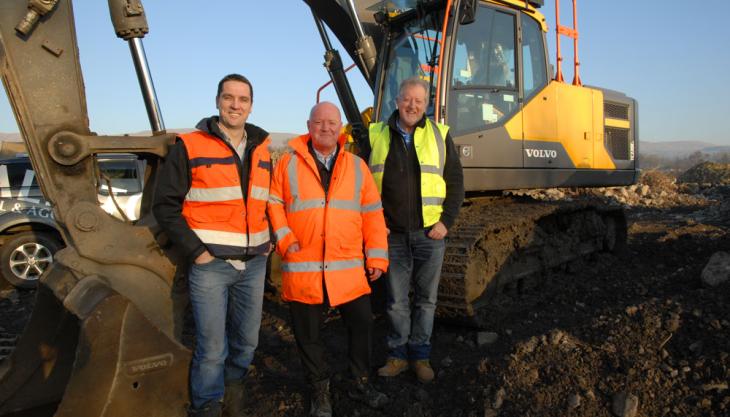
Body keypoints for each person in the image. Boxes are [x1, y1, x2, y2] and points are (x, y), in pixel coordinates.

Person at [153, 73, 272, 417]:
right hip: (212, 265)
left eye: (243, 99)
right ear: (217, 101)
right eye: (229, 97)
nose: (236, 105)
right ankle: (207, 405)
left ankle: (233, 388)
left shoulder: (262, 148)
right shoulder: (190, 145)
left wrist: (271, 241)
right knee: (211, 347)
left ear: (251, 105)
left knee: (247, 342)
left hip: (254, 264)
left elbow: (269, 200)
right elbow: (166, 205)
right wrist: (197, 253)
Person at [267, 102, 389, 417]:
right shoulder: (288, 164)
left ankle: (361, 382)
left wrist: (376, 255)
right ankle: (320, 391)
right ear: (309, 125)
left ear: (340, 128)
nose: (326, 127)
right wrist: (284, 239)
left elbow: (373, 214)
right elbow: (274, 203)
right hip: (303, 266)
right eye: (319, 122)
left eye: (332, 122)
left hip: (347, 268)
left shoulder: (357, 166)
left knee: (362, 325)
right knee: (308, 336)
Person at [360, 77, 464, 383]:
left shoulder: (439, 135)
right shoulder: (376, 134)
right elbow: (361, 184)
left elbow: (456, 182)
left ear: (427, 105)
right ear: (397, 101)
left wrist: (446, 222)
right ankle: (397, 356)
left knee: (426, 299)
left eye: (419, 101)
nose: (413, 106)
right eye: (407, 99)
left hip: (429, 234)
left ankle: (420, 355)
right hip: (391, 235)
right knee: (395, 300)